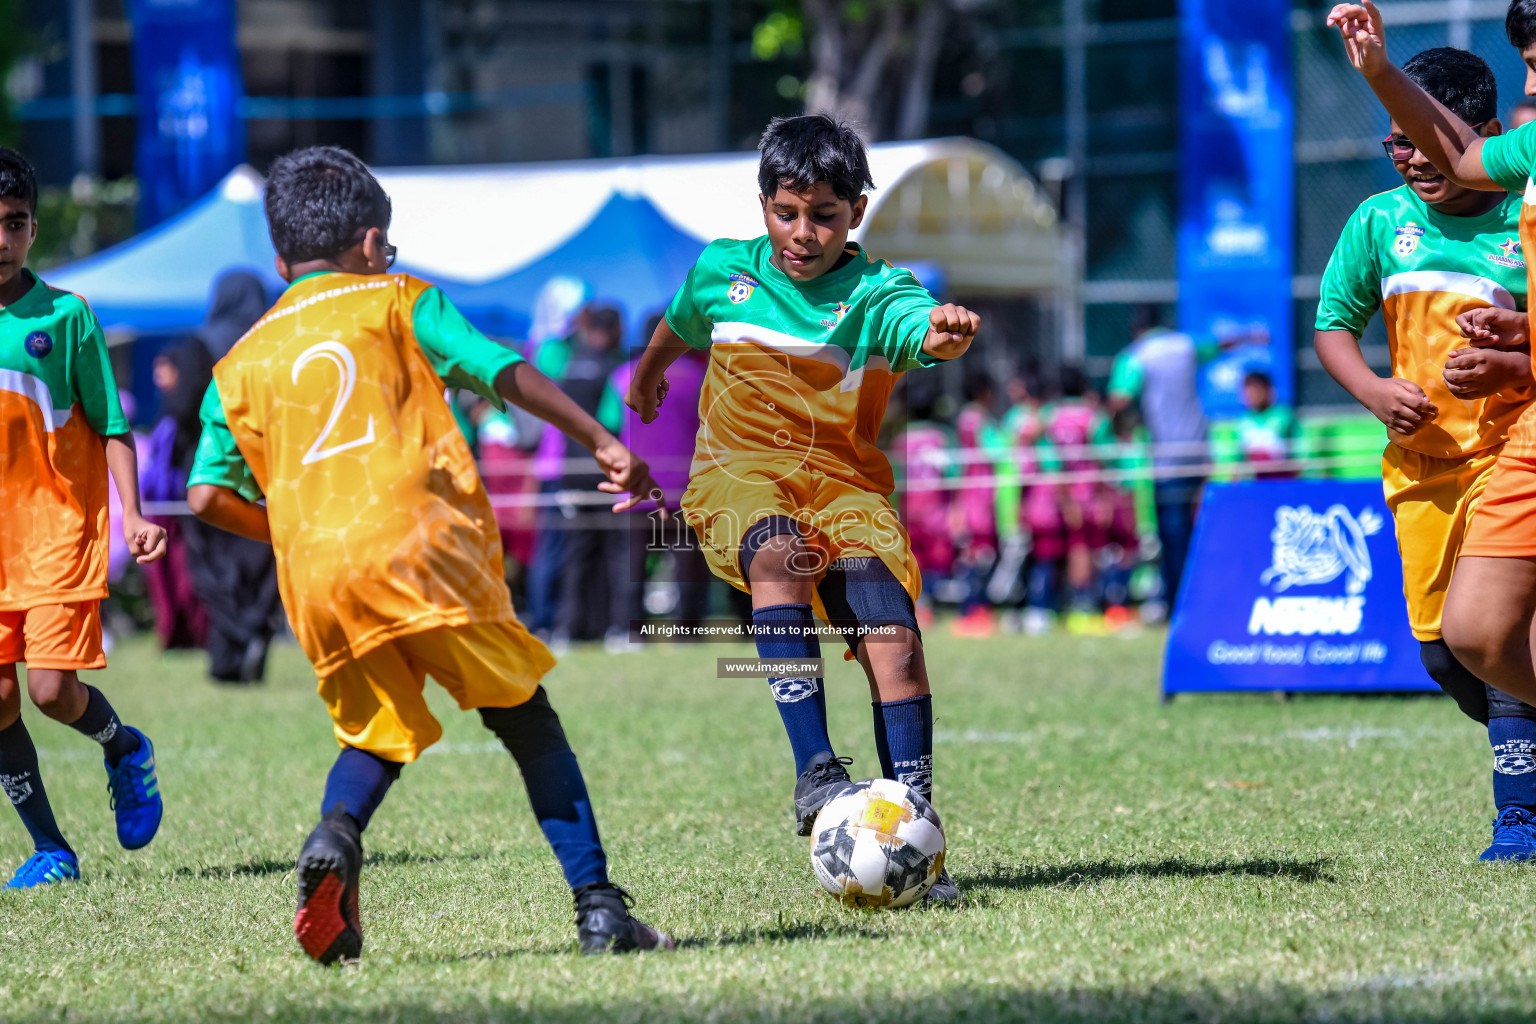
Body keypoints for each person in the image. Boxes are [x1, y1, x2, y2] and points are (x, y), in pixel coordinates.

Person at [185, 146, 671, 961]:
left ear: (279, 259)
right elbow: (499, 372)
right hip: (426, 549)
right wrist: (600, 439)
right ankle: (600, 910)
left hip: (320, 576)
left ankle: (336, 835)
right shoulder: (398, 300)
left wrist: (291, 529)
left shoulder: (238, 363)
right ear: (373, 244)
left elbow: (204, 495)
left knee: (375, 733)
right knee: (529, 724)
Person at [624, 114, 980, 902]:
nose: (803, 232)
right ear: (763, 205)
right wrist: (649, 376)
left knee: (898, 649)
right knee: (779, 556)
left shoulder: (880, 290)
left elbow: (920, 328)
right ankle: (816, 772)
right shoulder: (724, 271)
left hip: (845, 487)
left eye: (824, 214)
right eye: (787, 212)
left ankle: (915, 831)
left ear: (856, 211)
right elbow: (678, 323)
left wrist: (946, 334)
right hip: (738, 475)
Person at [1322, 20, 1536, 860]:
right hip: (1422, 473)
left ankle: (1517, 817)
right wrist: (1375, 389)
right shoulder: (1381, 223)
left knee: (1497, 642)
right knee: (1450, 657)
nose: (1410, 155)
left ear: (1477, 135)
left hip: (1507, 451)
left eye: (1420, 138)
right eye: (1394, 140)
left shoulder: (1516, 213)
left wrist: (1515, 350)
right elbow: (1334, 325)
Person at [0, 147, 168, 888]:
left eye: (15, 223)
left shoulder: (65, 317)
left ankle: (122, 745)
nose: (1, 238)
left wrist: (135, 512)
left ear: (34, 230)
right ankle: (51, 850)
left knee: (48, 691)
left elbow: (111, 425)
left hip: (56, 534)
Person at [184, 272, 285, 683]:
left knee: (211, 570)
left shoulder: (199, 345)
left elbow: (178, 407)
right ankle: (255, 635)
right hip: (267, 472)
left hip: (212, 468)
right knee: (261, 567)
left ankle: (230, 653)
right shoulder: (274, 345)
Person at [607, 313, 713, 633]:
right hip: (686, 487)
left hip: (636, 488)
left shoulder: (620, 375)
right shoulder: (699, 375)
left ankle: (629, 632)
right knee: (689, 566)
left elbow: (608, 427)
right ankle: (689, 632)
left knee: (632, 565)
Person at [1106, 305, 1210, 609]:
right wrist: (1251, 338)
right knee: (1196, 528)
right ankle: (1198, 596)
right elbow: (1220, 344)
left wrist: (1120, 428)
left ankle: (1178, 601)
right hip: (1199, 451)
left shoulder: (1136, 355)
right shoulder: (1185, 344)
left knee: (1172, 533)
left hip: (1166, 458)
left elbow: (1119, 399)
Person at [551, 303, 627, 651]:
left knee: (576, 555)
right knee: (615, 553)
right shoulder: (612, 368)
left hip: (570, 472)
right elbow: (613, 422)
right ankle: (618, 629)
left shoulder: (569, 365)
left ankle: (566, 630)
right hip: (605, 472)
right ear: (613, 330)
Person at [524, 277, 593, 638]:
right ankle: (544, 621)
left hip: (570, 462)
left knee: (568, 548)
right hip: (556, 464)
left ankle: (563, 621)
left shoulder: (557, 346)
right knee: (552, 547)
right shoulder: (550, 349)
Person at [141, 339, 215, 651]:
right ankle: (174, 635)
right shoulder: (168, 411)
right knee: (167, 577)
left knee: (190, 576)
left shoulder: (195, 414)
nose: (158, 376)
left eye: (165, 368)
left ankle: (200, 634)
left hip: (192, 509)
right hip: (164, 508)